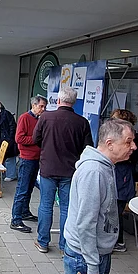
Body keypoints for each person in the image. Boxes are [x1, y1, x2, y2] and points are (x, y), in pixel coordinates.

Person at [55, 118, 136, 274]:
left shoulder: (104, 165)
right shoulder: (94, 171)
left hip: (89, 254)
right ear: (110, 143)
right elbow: (85, 224)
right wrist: (92, 268)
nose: (133, 147)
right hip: (85, 257)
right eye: (128, 142)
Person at [32, 87, 93, 254]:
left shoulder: (45, 117)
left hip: (48, 168)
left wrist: (48, 148)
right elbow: (88, 147)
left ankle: (43, 241)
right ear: (74, 102)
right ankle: (65, 245)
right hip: (70, 171)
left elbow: (35, 139)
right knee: (66, 207)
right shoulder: (82, 122)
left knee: (46, 205)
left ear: (58, 100)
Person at [110, 109, 138, 253]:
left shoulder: (132, 142)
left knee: (116, 211)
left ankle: (118, 241)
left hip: (122, 179)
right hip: (120, 177)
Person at [11, 95, 46, 233]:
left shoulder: (41, 119)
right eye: (41, 106)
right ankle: (16, 220)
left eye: (44, 106)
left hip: (37, 158)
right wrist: (36, 140)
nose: (43, 109)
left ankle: (25, 212)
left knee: (30, 187)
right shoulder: (25, 118)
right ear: (34, 105)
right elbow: (19, 138)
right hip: (27, 158)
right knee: (22, 189)